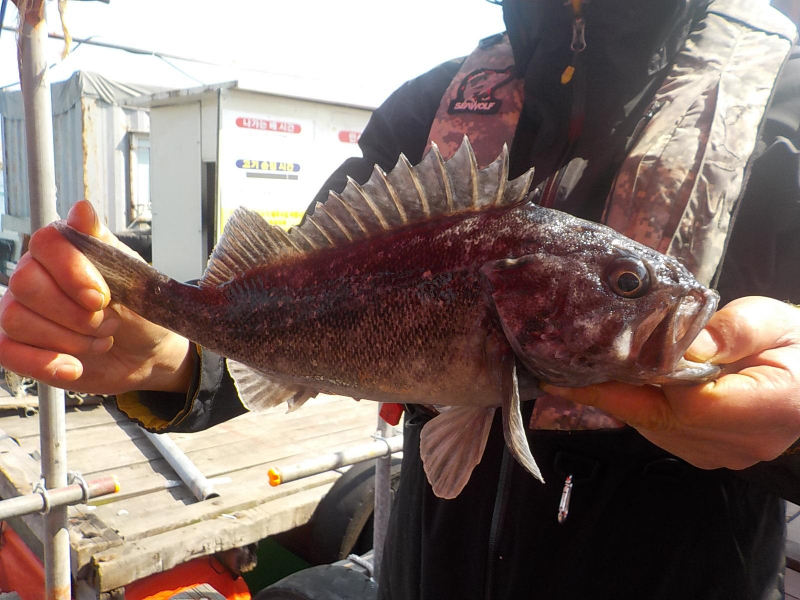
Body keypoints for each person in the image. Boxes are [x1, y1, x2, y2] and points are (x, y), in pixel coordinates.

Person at [2, 0, 800, 598]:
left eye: (627, 285)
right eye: (627, 286)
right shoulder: (430, 105)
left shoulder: (785, 104)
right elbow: (292, 303)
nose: (665, 302)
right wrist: (176, 355)